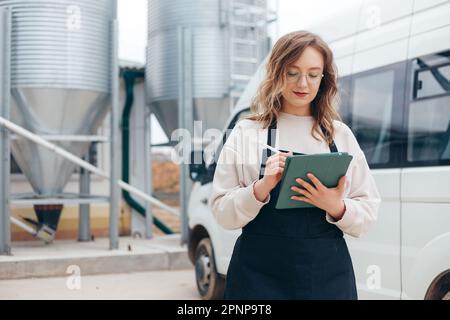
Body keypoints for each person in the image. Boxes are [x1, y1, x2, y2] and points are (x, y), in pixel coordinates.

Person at [209, 31, 382, 300]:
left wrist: (336, 206)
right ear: (277, 72)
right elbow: (221, 211)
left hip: (327, 278)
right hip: (257, 278)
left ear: (324, 78)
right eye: (292, 72)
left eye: (313, 74)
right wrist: (260, 188)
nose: (303, 83)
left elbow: (368, 214)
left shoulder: (340, 135)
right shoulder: (247, 132)